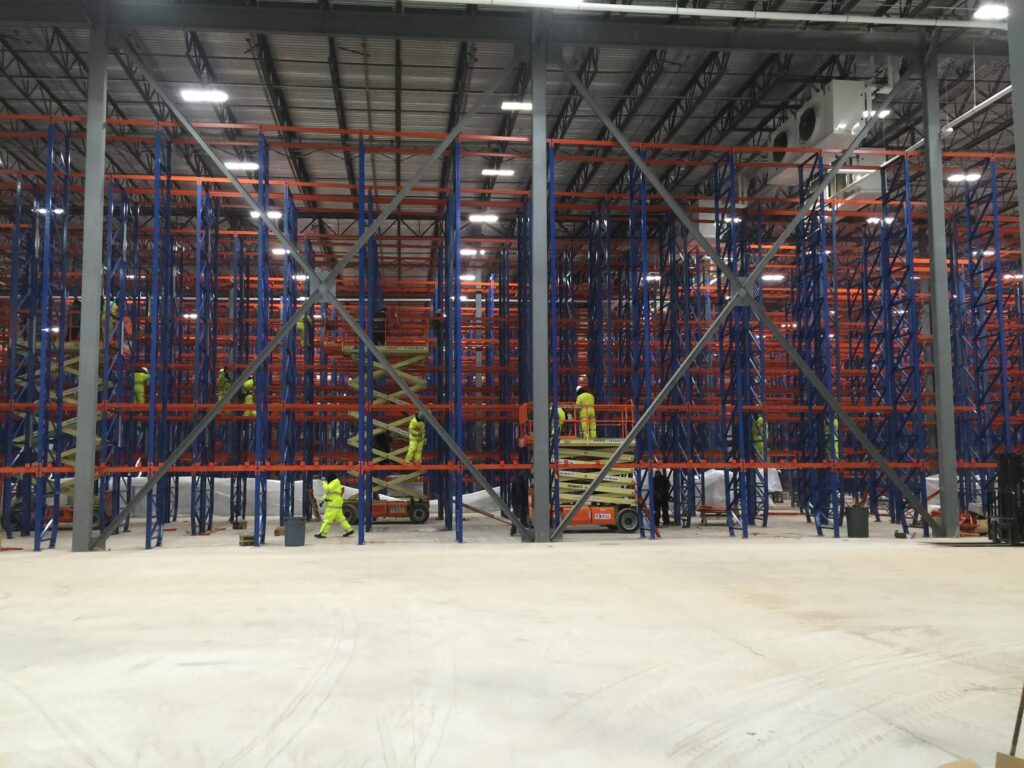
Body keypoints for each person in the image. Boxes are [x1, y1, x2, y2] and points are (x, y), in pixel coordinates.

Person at [315, 471, 354, 538]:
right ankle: (349, 529)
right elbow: (329, 493)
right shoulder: (334, 482)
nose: (326, 479)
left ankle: (322, 533)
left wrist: (324, 482)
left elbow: (327, 489)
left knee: (328, 518)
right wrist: (323, 500)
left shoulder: (335, 481)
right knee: (340, 518)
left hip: (333, 503)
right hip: (335, 501)